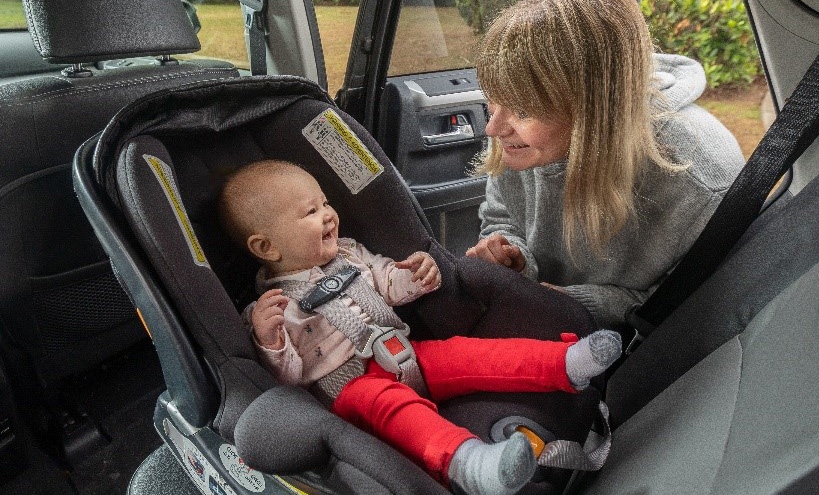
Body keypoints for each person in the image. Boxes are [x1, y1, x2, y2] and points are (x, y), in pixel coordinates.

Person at [218, 159, 622, 495]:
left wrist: (419, 276)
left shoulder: (350, 253)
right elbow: (287, 378)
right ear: (266, 248)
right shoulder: (271, 310)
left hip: (403, 351)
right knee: (397, 410)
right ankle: (471, 463)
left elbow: (389, 283)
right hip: (351, 391)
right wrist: (269, 341)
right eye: (311, 212)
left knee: (466, 353)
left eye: (325, 203)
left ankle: (564, 362)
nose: (328, 214)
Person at [465, 0, 746, 329]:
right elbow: (502, 217)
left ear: (593, 107)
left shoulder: (701, 184)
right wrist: (512, 256)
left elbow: (688, 308)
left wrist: (576, 304)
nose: (493, 129)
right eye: (491, 101)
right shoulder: (521, 139)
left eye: (523, 111)